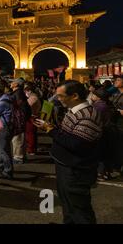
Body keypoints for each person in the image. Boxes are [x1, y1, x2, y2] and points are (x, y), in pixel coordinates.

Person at [35, 80, 102, 224]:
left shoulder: (87, 115)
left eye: (61, 96)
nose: (58, 99)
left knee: (79, 210)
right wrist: (50, 127)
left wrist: (50, 130)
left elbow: (76, 144)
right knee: (68, 206)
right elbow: (67, 135)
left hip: (76, 170)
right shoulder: (75, 111)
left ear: (75, 96)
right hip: (67, 166)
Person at [9, 78, 30, 164]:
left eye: (13, 82)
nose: (11, 82)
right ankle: (22, 156)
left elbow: (21, 107)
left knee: (18, 139)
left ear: (16, 85)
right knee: (19, 138)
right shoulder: (19, 93)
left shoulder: (18, 94)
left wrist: (20, 118)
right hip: (20, 119)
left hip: (18, 119)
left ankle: (18, 158)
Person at [24, 82, 42, 155]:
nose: (25, 92)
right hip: (32, 117)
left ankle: (31, 150)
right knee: (31, 134)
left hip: (32, 117)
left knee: (30, 134)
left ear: (30, 91)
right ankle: (32, 148)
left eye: (25, 91)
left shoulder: (33, 98)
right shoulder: (33, 97)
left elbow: (26, 106)